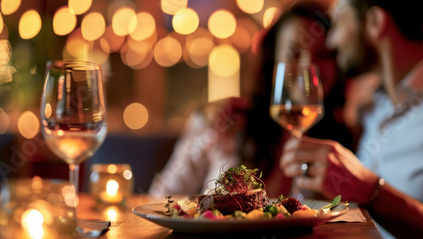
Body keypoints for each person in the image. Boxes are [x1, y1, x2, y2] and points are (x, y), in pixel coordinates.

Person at [280, 0, 423, 239]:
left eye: (339, 21)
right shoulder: (373, 111)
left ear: (374, 23)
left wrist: (373, 193)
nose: (332, 41)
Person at [149, 2, 355, 198]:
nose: (308, 66)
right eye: (293, 53)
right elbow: (160, 196)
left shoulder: (346, 139)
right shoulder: (228, 119)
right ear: (273, 58)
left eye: (323, 54)